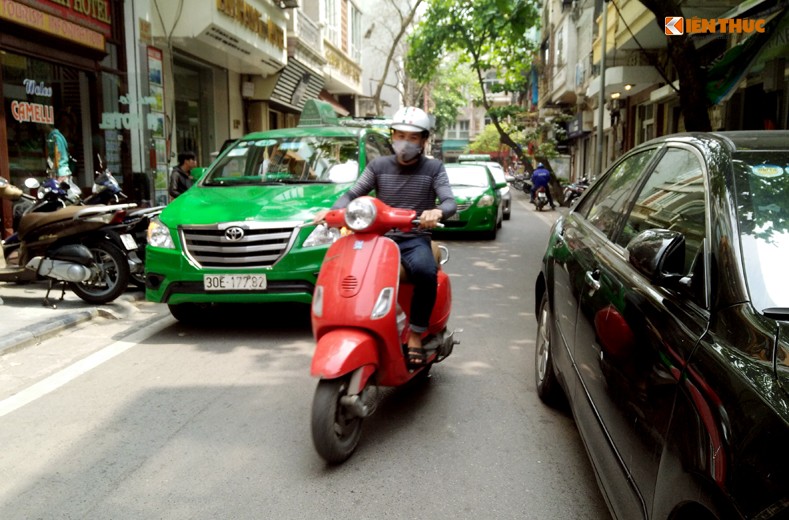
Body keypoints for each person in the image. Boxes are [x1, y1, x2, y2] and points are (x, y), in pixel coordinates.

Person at [313, 106, 457, 366]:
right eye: (400, 135)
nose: (405, 142)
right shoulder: (378, 165)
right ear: (392, 136)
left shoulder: (434, 168)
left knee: (425, 272)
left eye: (413, 137)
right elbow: (352, 194)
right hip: (376, 238)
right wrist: (333, 210)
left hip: (414, 238)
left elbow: (449, 201)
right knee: (344, 272)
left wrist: (436, 211)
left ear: (424, 140)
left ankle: (415, 332)